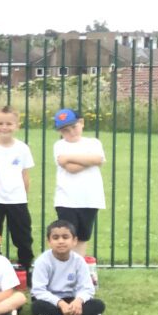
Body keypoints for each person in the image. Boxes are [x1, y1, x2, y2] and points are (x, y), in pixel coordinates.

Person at [0, 107, 35, 271]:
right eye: (0, 123)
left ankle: (26, 266)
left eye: (9, 124)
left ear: (17, 125)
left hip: (17, 199)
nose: (4, 127)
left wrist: (24, 196)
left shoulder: (22, 148)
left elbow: (25, 174)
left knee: (22, 234)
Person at [31, 219, 106, 315]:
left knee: (98, 305)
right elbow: (39, 290)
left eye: (65, 237)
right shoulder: (42, 261)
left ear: (74, 241)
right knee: (37, 306)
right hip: (51, 300)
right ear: (48, 242)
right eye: (55, 238)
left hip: (72, 299)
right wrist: (60, 303)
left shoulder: (79, 261)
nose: (61, 241)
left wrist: (78, 301)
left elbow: (87, 288)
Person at [52, 108, 107, 257]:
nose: (71, 132)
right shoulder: (60, 145)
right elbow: (71, 168)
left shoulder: (94, 143)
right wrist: (89, 160)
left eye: (73, 127)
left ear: (81, 123)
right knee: (67, 236)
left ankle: (79, 266)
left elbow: (98, 159)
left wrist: (69, 157)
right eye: (65, 130)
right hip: (66, 199)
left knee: (83, 237)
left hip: (90, 199)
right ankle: (65, 266)